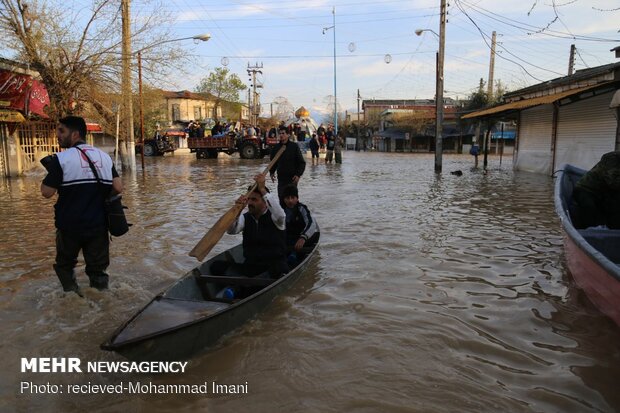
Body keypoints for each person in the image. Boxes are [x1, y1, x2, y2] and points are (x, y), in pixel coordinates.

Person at [40, 116, 122, 295]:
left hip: (69, 227)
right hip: (99, 226)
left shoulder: (61, 159)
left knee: (65, 266)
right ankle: (101, 302)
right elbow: (117, 187)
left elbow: (46, 193)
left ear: (75, 134)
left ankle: (72, 298)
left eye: (62, 131)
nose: (58, 136)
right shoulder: (104, 157)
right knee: (98, 271)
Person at [222, 174, 289, 278]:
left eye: (254, 200)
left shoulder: (275, 218)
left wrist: (262, 189)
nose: (250, 203)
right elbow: (231, 231)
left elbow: (281, 215)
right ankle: (246, 283)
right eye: (249, 199)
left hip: (273, 265)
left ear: (265, 203)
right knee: (216, 266)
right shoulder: (245, 218)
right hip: (252, 265)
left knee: (278, 270)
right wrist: (237, 211)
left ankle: (246, 284)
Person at [573, 151, 620, 229]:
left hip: (604, 191)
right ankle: (589, 232)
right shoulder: (612, 158)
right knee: (589, 210)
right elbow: (612, 181)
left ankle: (613, 230)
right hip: (586, 189)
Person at [282, 184, 320, 266]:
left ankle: (294, 256)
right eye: (287, 198)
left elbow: (310, 223)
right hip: (287, 240)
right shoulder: (281, 210)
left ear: (297, 198)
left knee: (293, 256)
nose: (290, 201)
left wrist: (303, 237)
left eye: (293, 198)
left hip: (301, 239)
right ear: (283, 199)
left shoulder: (302, 209)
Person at [269, 126, 306, 204]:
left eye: (283, 133)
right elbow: (273, 162)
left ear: (288, 135)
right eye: (280, 133)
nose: (281, 135)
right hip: (281, 179)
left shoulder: (294, 146)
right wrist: (271, 173)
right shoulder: (276, 148)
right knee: (282, 200)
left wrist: (298, 175)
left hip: (292, 179)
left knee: (292, 202)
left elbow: (302, 162)